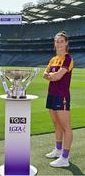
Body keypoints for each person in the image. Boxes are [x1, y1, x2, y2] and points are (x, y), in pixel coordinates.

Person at [43, 31, 73, 167]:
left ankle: (65, 158)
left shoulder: (68, 59)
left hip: (62, 96)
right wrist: (51, 75)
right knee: (56, 125)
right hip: (52, 94)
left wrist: (51, 75)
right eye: (57, 41)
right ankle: (58, 149)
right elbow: (45, 74)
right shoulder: (53, 59)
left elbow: (57, 76)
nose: (59, 44)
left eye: (61, 41)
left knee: (66, 127)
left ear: (66, 43)